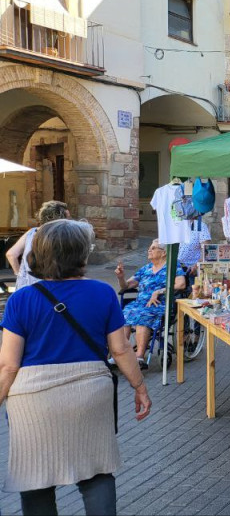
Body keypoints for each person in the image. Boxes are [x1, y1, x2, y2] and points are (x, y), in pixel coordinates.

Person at [0, 219, 151, 515]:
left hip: (33, 401)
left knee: (36, 480)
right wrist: (140, 387)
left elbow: (7, 365)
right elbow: (120, 350)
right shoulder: (103, 292)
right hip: (90, 393)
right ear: (81, 254)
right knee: (96, 472)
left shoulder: (20, 300)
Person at [115, 240, 186, 369]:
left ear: (164, 253)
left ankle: (139, 357)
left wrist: (159, 291)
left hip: (160, 304)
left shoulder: (172, 266)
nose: (149, 250)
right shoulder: (146, 268)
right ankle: (122, 354)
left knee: (143, 317)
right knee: (122, 316)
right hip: (140, 303)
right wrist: (121, 277)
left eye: (153, 248)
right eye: (150, 247)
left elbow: (181, 284)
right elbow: (127, 286)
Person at [5, 200, 70, 289]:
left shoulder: (31, 232)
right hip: (52, 287)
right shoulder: (60, 235)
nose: (69, 221)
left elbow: (11, 254)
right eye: (67, 218)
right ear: (59, 218)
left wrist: (20, 274)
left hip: (26, 286)